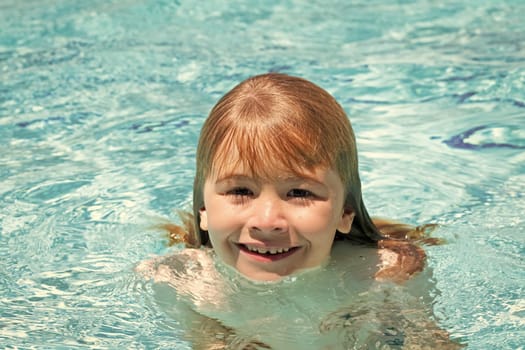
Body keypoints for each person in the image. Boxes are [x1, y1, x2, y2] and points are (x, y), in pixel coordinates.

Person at [138, 73, 462, 349]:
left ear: (345, 212)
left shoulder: (382, 275)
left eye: (299, 192)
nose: (267, 221)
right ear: (203, 209)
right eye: (239, 190)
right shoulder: (181, 281)